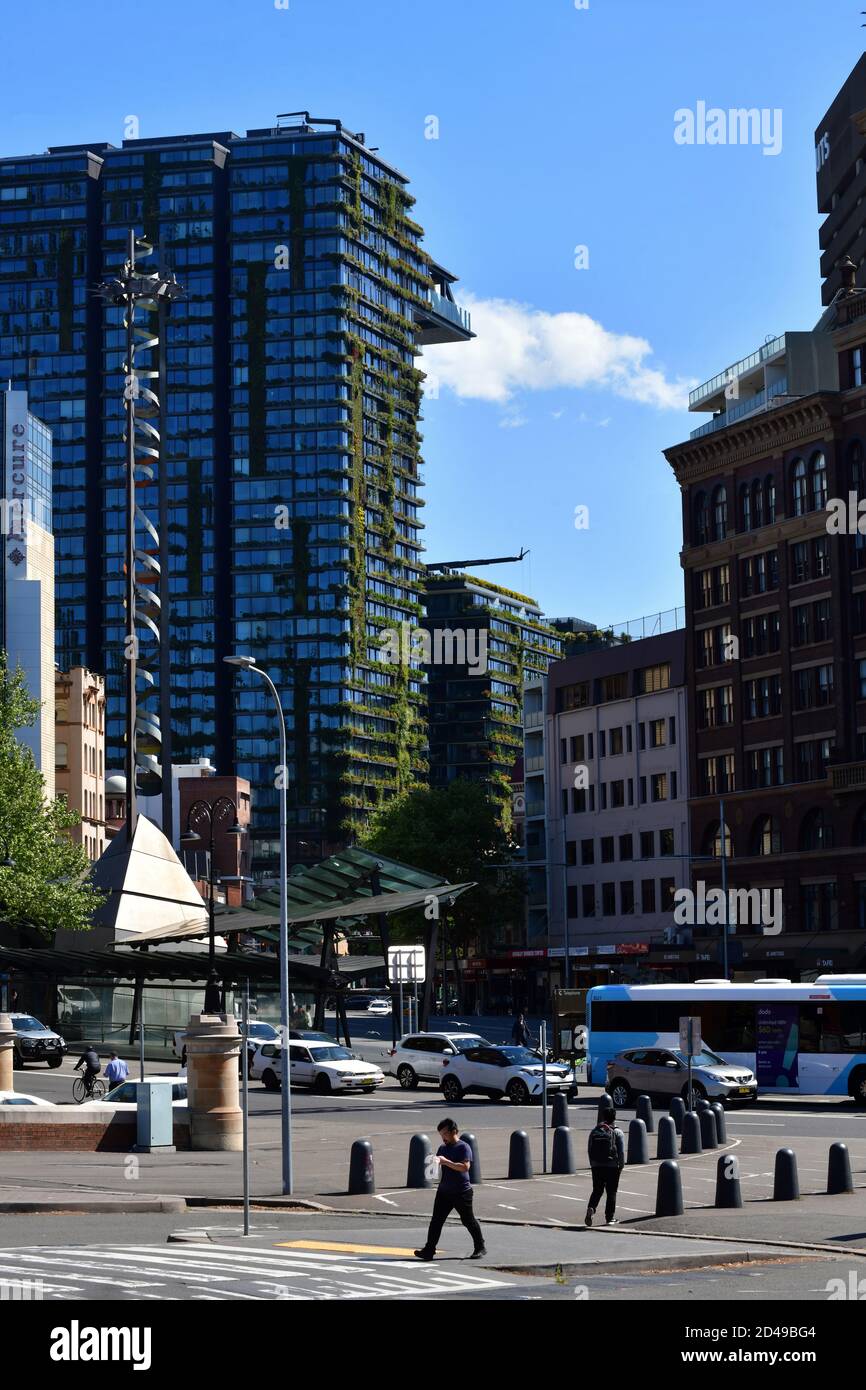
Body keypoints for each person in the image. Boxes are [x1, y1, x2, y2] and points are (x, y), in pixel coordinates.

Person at [414, 1119, 487, 1262]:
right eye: (441, 1134)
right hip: (444, 1191)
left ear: (454, 1131)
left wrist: (445, 1161)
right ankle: (429, 1250)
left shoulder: (463, 1147)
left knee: (468, 1220)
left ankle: (480, 1247)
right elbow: (439, 1167)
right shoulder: (442, 1148)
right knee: (436, 1221)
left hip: (461, 1191)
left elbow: (465, 1167)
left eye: (445, 1134)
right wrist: (433, 1165)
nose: (443, 1137)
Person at [585, 1101, 625, 1226]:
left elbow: (589, 1148)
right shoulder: (617, 1132)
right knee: (611, 1192)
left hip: (596, 1165)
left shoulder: (594, 1131)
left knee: (597, 1190)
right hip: (612, 1166)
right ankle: (610, 1217)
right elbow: (621, 1151)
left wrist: (592, 1164)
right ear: (614, 1117)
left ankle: (591, 1208)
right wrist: (621, 1165)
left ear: (603, 1117)